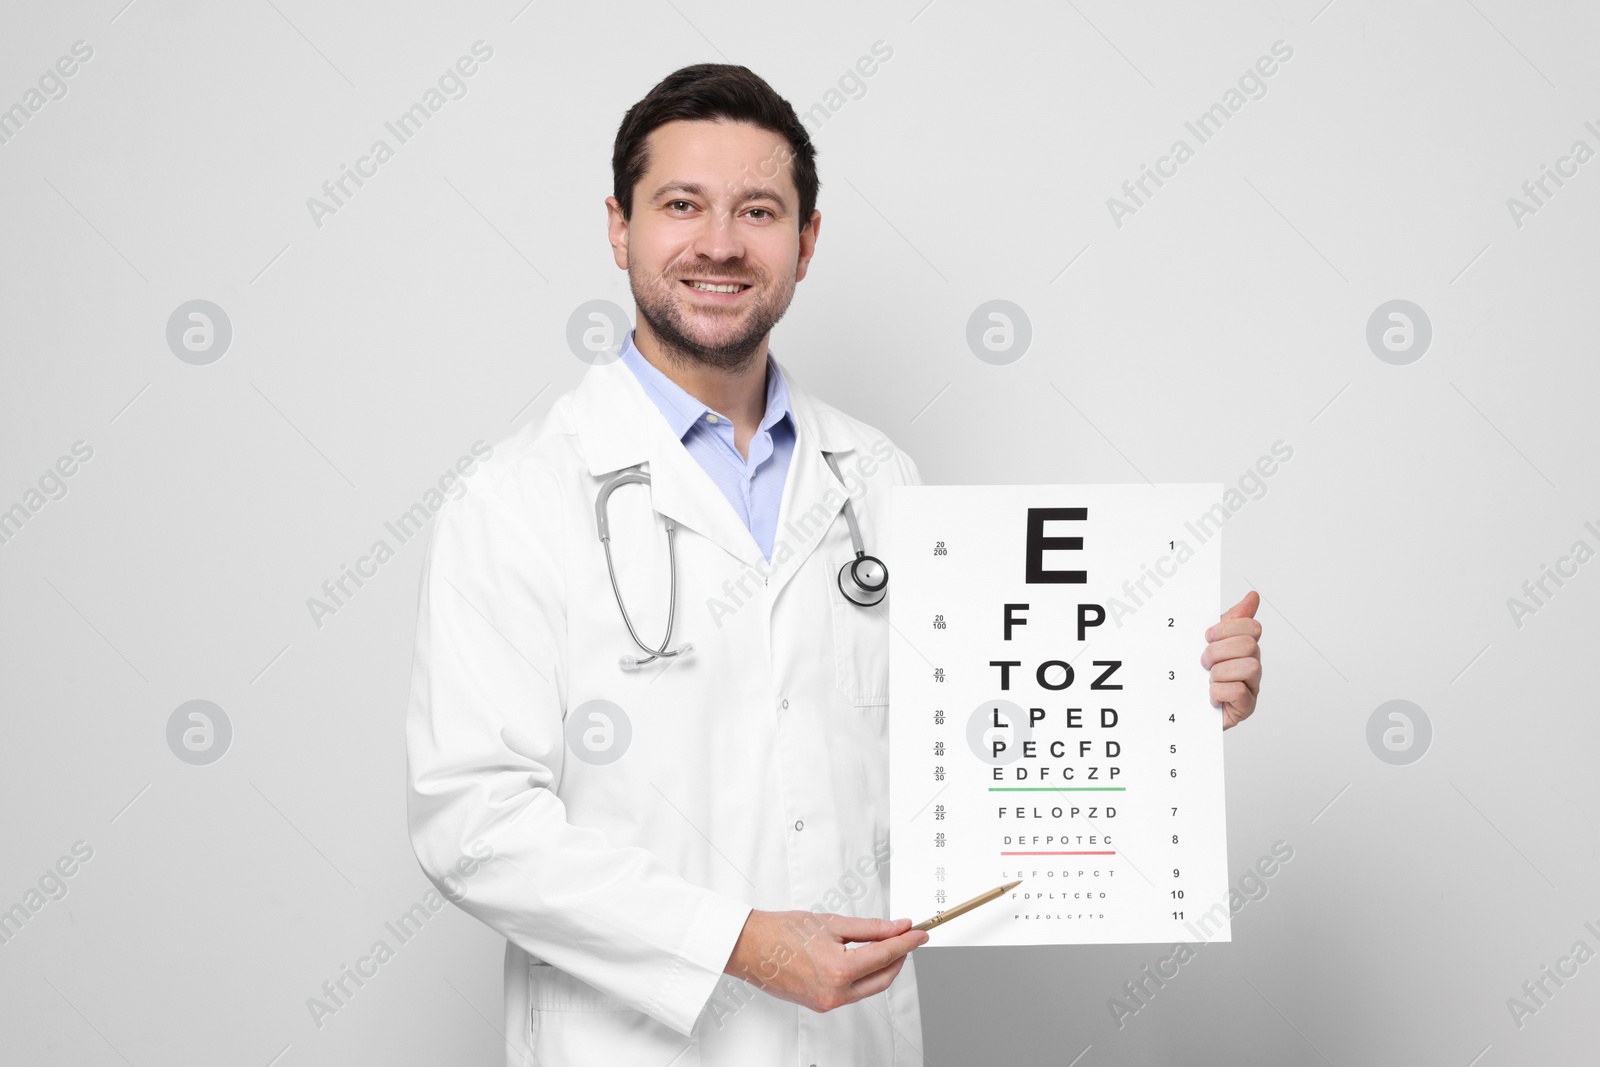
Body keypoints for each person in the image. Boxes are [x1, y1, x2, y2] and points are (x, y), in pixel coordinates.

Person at [404, 63, 1264, 1066]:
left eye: (758, 210)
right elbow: (474, 822)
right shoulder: (514, 499)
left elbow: (970, 745)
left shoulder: (877, 477)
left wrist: (1162, 692)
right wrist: (738, 942)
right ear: (619, 226)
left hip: (853, 1041)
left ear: (805, 242)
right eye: (681, 204)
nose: (720, 243)